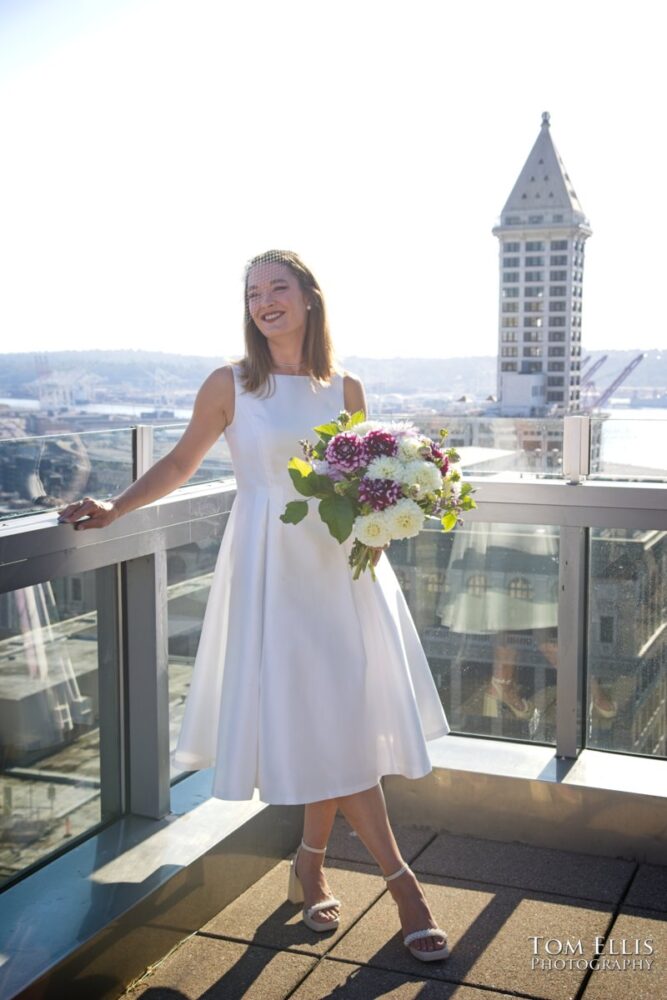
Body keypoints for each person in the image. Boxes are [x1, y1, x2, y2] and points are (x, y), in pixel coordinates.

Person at [57, 249, 451, 961]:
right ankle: (403, 888)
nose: (264, 301)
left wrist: (382, 528)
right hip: (271, 570)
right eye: (252, 293)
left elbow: (366, 482)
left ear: (307, 297)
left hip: (343, 573)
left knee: (337, 716)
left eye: (277, 287)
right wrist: (116, 506)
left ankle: (309, 859)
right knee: (326, 716)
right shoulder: (231, 384)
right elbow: (181, 462)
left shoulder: (347, 387)